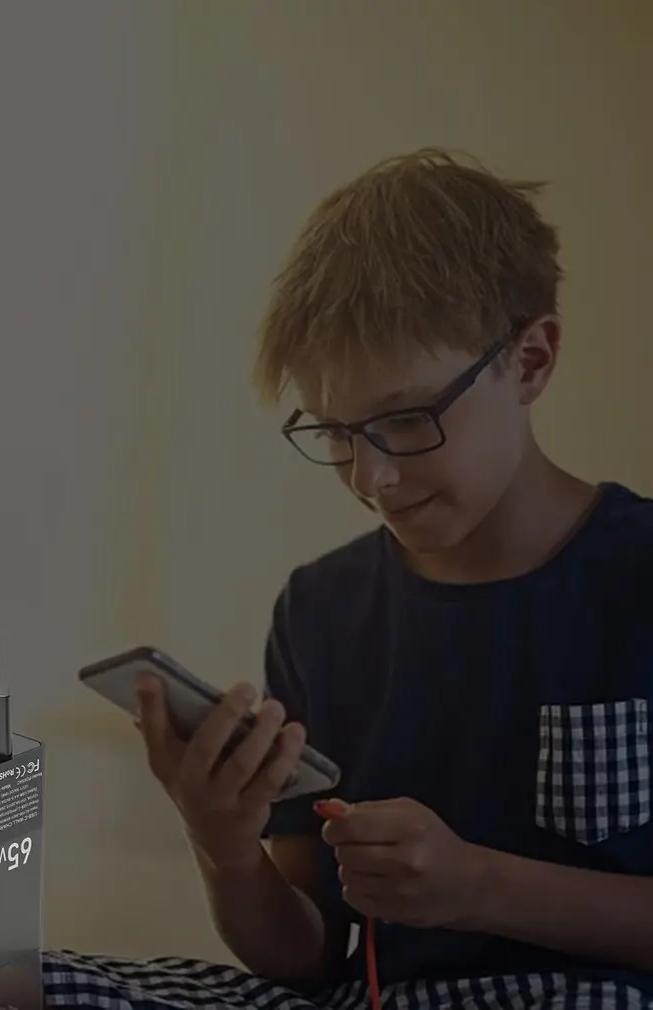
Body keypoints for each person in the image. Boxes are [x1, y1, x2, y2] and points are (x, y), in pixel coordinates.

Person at [42, 149, 653, 1008]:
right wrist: (224, 846)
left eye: (406, 419)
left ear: (531, 361)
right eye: (335, 431)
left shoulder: (634, 576)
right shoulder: (322, 610)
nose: (371, 478)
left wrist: (481, 887)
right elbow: (306, 959)